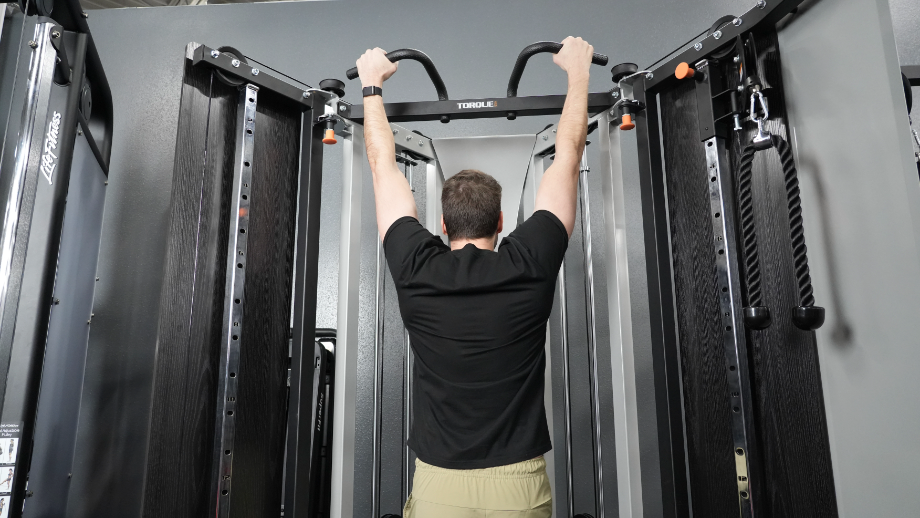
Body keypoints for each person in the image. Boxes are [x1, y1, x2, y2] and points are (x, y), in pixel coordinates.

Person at [355, 36, 593, 518]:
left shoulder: (418, 267)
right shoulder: (528, 263)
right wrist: (578, 74)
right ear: (502, 221)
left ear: (442, 226)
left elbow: (382, 166)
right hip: (520, 487)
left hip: (440, 484)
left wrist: (371, 88)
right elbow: (567, 156)